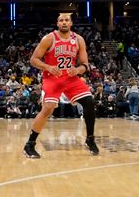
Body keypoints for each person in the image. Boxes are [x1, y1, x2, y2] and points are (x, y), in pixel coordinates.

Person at [24, 13, 99, 158]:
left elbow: (85, 64)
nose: (64, 22)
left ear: (71, 23)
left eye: (66, 20)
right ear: (57, 24)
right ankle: (29, 145)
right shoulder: (49, 38)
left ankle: (90, 139)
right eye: (61, 20)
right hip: (52, 78)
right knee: (48, 109)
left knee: (89, 103)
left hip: (71, 78)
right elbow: (33, 60)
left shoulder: (79, 40)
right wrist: (47, 67)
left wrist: (78, 69)